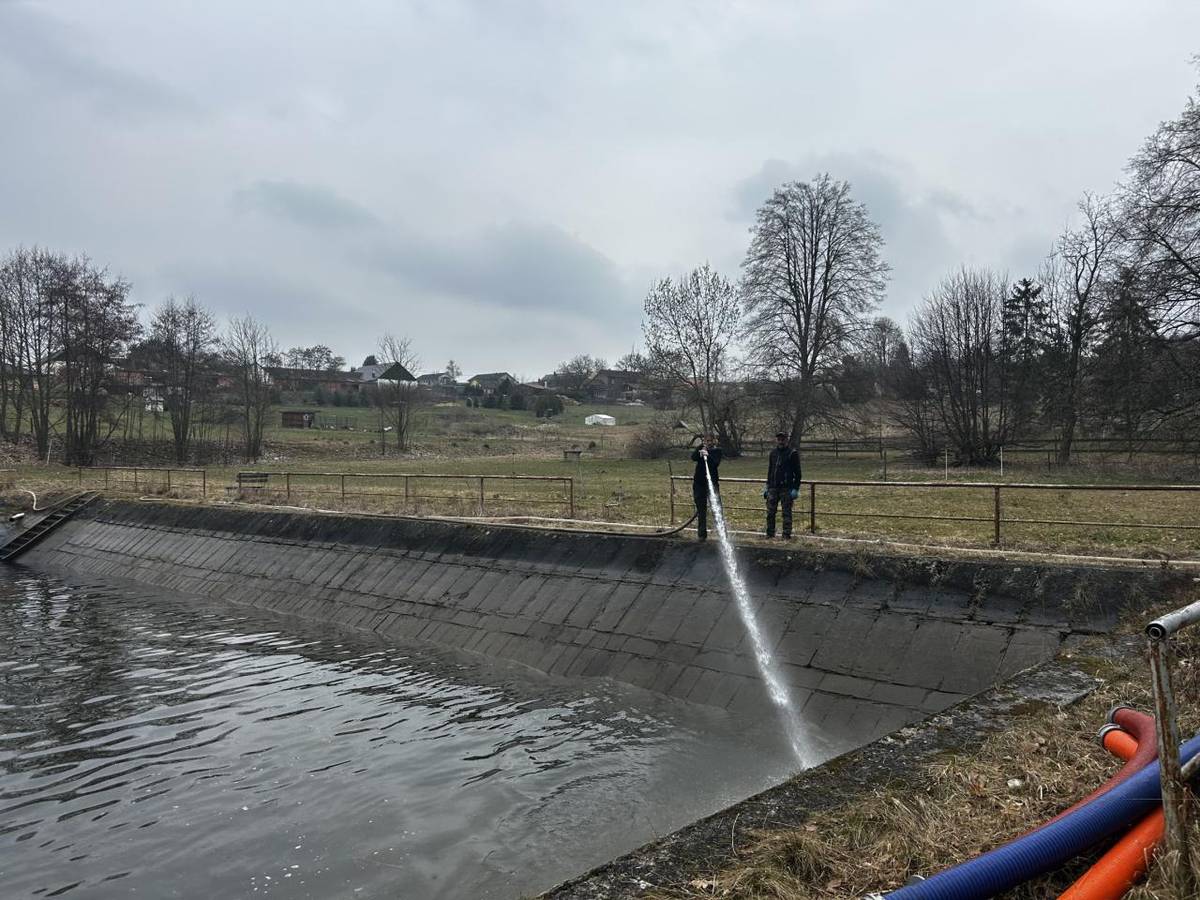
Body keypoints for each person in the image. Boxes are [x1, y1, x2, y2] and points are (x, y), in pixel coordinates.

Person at [763, 431, 801, 538]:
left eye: (783, 439)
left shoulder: (792, 453)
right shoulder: (773, 453)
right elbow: (770, 470)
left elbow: (798, 473)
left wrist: (795, 488)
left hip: (786, 488)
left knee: (786, 513)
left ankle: (786, 534)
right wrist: (767, 486)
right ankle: (770, 534)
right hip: (773, 487)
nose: (781, 441)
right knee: (770, 512)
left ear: (786, 440)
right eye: (779, 439)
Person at [690, 433, 722, 541]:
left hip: (712, 484)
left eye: (710, 441)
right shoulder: (701, 449)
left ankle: (722, 533)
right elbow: (693, 457)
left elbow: (715, 464)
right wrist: (700, 450)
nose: (708, 443)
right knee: (701, 510)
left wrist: (708, 456)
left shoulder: (717, 451)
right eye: (706, 441)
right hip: (699, 484)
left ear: (714, 441)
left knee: (716, 508)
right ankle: (702, 535)